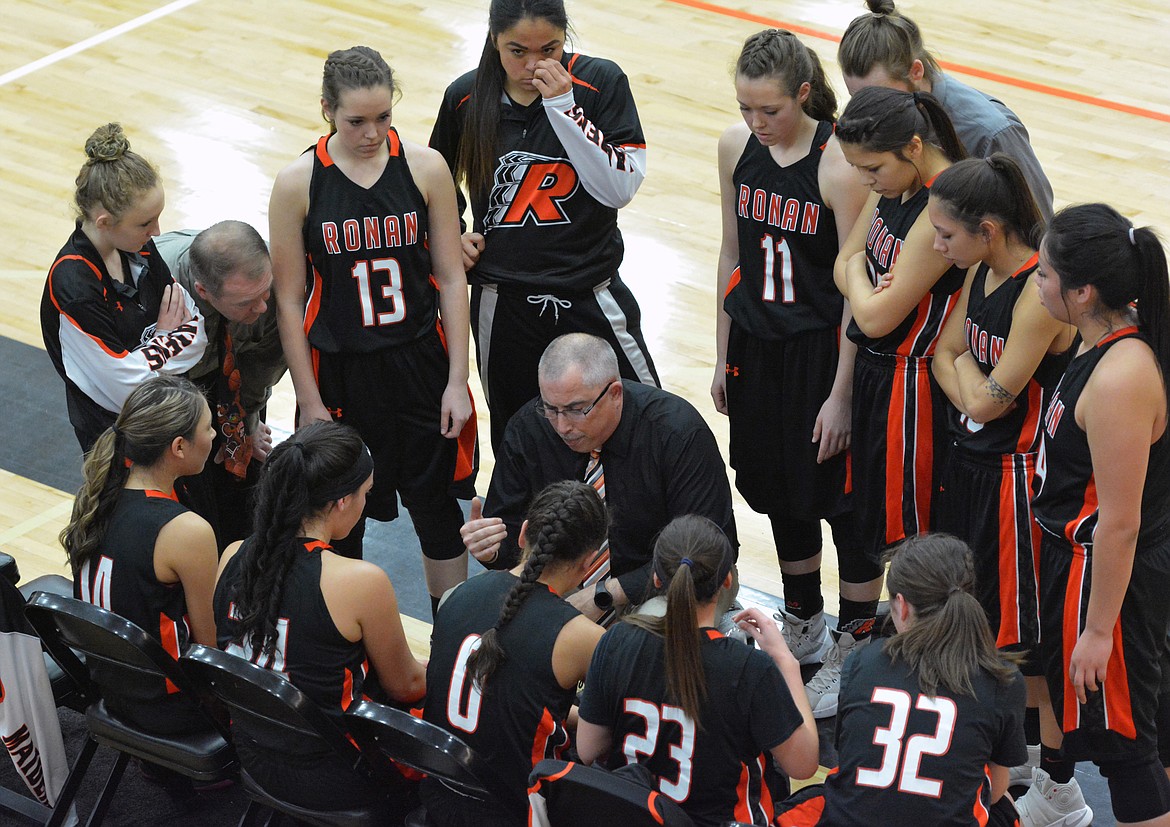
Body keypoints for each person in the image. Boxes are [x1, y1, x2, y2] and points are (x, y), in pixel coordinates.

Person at [269, 46, 475, 615]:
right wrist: (307, 400)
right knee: (340, 514)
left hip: (419, 362)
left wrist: (458, 379)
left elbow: (451, 278)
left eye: (384, 117)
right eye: (357, 121)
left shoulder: (425, 167)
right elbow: (288, 300)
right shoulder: (297, 182)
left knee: (436, 508)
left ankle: (449, 635)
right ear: (327, 111)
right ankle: (348, 634)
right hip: (341, 371)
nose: (372, 132)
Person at [712, 27, 880, 720]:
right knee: (779, 486)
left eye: (770, 109)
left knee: (842, 498)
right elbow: (732, 249)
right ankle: (804, 617)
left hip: (822, 350)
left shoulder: (838, 161)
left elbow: (855, 290)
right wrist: (722, 350)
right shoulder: (734, 147)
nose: (757, 122)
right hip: (759, 341)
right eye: (747, 108)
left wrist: (841, 393)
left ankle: (855, 638)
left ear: (804, 93)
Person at [927, 155, 1087, 822]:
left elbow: (991, 398)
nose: (936, 246)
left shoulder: (1036, 292)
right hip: (972, 468)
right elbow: (944, 350)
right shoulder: (979, 267)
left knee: (1028, 645)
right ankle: (1009, 761)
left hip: (1018, 484)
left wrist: (969, 388)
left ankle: (1060, 787)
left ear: (987, 229)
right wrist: (971, 390)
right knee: (980, 627)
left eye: (946, 235)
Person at [429, 0, 659, 451]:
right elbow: (433, 180)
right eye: (517, 51)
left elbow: (620, 188)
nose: (533, 65)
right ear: (494, 40)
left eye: (549, 50)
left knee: (647, 422)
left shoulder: (600, 83)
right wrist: (452, 234)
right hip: (503, 301)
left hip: (590, 292)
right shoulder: (465, 96)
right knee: (522, 438)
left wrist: (563, 106)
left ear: (565, 38)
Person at [1028, 205, 1170, 827]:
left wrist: (1097, 630)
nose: (1036, 279)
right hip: (1085, 565)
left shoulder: (1120, 376)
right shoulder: (1104, 340)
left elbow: (1120, 523)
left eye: (1045, 273)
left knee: (1125, 747)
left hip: (1106, 575)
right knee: (1142, 730)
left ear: (1082, 292)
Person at [829, 85, 966, 711]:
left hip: (915, 388)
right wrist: (866, 285)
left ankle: (927, 679)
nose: (865, 181)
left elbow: (880, 316)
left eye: (873, 168)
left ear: (913, 146)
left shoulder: (943, 205)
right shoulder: (898, 185)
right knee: (868, 523)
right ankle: (864, 647)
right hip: (881, 376)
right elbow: (844, 265)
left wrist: (865, 287)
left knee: (910, 537)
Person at [214, 420, 426, 816]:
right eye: (365, 494)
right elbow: (407, 686)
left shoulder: (232, 554)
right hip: (343, 774)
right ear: (342, 501)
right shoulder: (359, 582)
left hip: (255, 756)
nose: (365, 503)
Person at [460, 333, 736, 621]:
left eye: (577, 410)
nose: (562, 426)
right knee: (469, 608)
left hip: (670, 583)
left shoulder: (678, 434)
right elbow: (514, 548)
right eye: (551, 409)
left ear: (615, 393)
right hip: (566, 580)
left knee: (654, 632)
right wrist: (490, 551)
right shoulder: (528, 428)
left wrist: (610, 592)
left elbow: (706, 553)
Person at [576, 515, 819, 827]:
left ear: (656, 579)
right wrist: (787, 663)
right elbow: (803, 764)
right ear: (727, 581)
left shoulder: (616, 641)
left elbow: (587, 748)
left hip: (635, 817)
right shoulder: (749, 667)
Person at [777, 534, 1026, 827]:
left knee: (812, 797)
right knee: (1005, 806)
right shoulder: (1004, 678)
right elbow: (995, 789)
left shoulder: (862, 661)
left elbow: (851, 757)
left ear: (902, 606)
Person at [422, 480, 608, 825]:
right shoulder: (582, 636)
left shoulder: (458, 593)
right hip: (511, 812)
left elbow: (510, 696)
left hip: (437, 796)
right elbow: (598, 741)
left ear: (522, 535)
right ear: (589, 563)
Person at [59, 375, 218, 736]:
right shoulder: (185, 530)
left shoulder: (95, 497)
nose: (213, 436)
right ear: (179, 447)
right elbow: (211, 650)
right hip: (173, 708)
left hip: (110, 686)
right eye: (208, 428)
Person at [41, 123, 207, 453]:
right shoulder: (74, 288)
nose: (158, 232)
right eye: (146, 223)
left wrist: (142, 359)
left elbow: (196, 332)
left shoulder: (138, 246)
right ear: (104, 222)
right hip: (117, 444)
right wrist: (162, 337)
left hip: (170, 424)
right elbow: (125, 389)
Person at [837, 0, 1054, 220]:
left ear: (915, 72)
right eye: (857, 97)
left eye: (882, 96)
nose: (869, 111)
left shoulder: (988, 132)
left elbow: (1037, 225)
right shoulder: (877, 115)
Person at [154, 221, 286, 549]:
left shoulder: (277, 278)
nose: (262, 307)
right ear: (203, 292)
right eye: (246, 303)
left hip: (235, 375)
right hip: (174, 383)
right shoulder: (156, 283)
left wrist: (249, 422)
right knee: (191, 495)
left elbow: (262, 363)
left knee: (243, 485)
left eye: (264, 293)